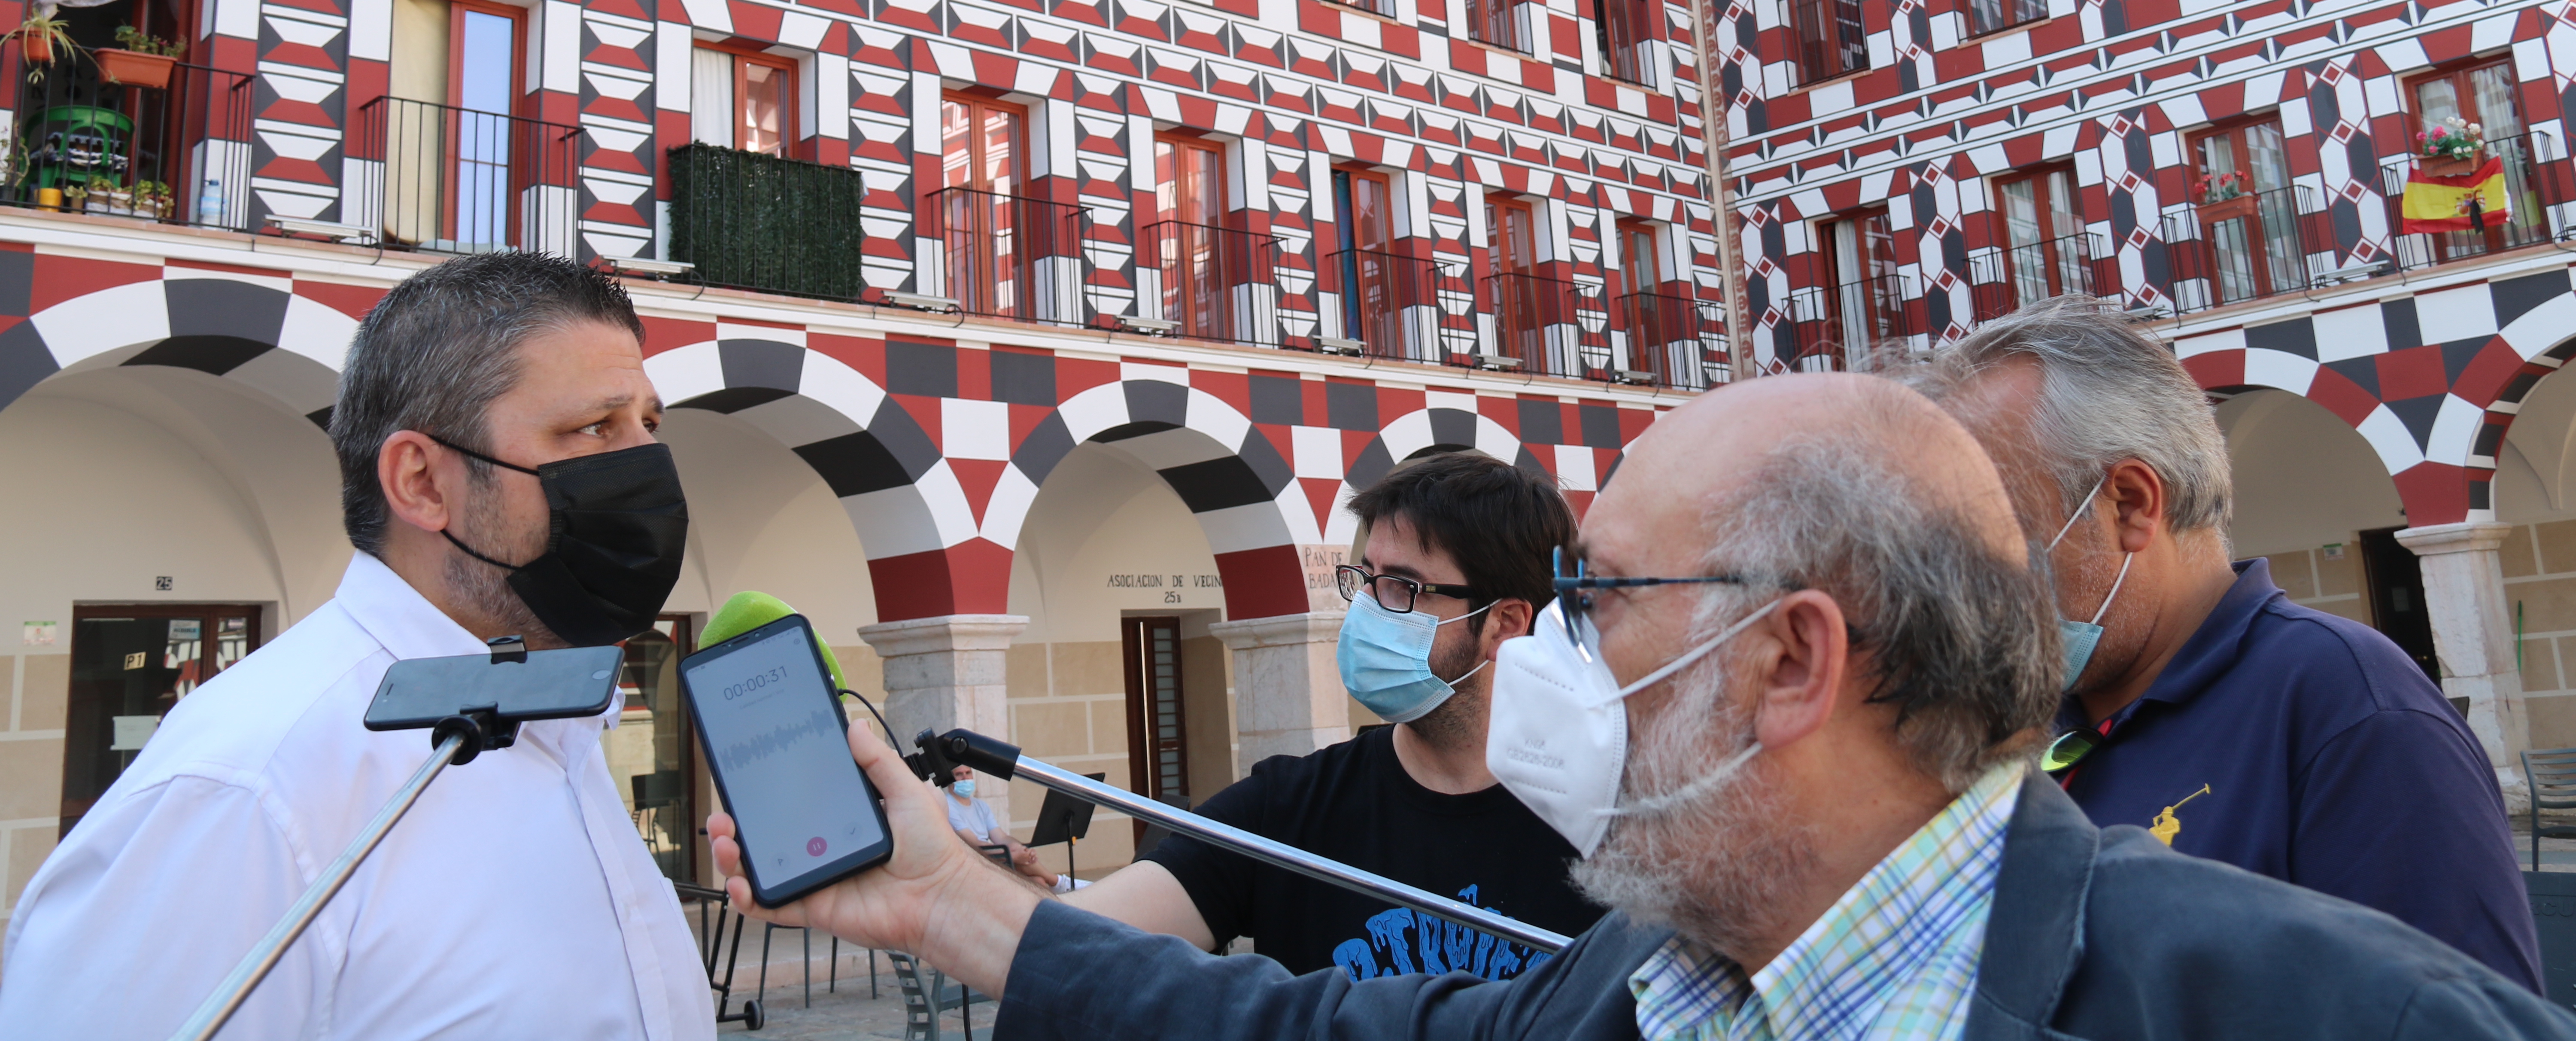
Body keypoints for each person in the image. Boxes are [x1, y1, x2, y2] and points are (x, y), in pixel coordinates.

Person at [707, 374, 2576, 1041]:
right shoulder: (1630, 992)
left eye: (1595, 598)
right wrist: (934, 894)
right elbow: (1258, 1026)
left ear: (1788, 658)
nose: (1552, 651)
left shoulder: (2322, 1009)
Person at [0, 253, 712, 1040]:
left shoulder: (556, 725)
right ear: (422, 482)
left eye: (649, 424)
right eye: (593, 428)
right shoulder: (244, 794)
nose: (647, 466)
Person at [1894, 298, 2543, 991]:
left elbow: (2462, 1013)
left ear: (2132, 503)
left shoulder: (2349, 706)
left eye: (1996, 536)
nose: (1965, 585)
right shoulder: (2030, 720)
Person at [1065, 449, 1605, 977]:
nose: (1367, 608)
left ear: (1505, 623)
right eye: (1366, 577)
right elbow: (1072, 943)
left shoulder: (1613, 824)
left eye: (1403, 587)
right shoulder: (1289, 809)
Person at [948, 762, 1077, 893]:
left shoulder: (980, 806)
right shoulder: (948, 805)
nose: (965, 778)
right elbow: (974, 845)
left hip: (992, 857)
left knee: (1039, 883)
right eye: (959, 775)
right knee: (1020, 859)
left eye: (968, 773)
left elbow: (1002, 837)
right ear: (949, 778)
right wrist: (1012, 856)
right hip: (973, 860)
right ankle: (1059, 882)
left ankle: (1057, 885)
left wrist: (1023, 850)